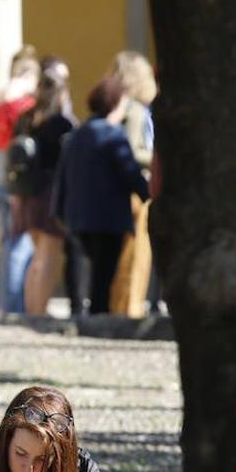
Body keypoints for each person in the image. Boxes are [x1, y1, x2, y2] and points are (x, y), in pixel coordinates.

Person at [53, 78, 150, 317]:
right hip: (108, 218)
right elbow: (130, 173)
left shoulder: (76, 136)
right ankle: (99, 318)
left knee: (91, 271)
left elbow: (62, 178)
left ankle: (88, 314)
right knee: (104, 275)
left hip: (79, 216)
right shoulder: (113, 136)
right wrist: (147, 192)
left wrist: (59, 211)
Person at [8, 58, 76, 316]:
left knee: (36, 257)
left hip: (27, 193)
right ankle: (39, 312)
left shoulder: (26, 118)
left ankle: (31, 308)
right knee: (49, 256)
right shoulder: (61, 123)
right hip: (51, 194)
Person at [0, 46, 41, 314]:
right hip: (16, 176)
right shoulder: (23, 104)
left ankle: (8, 303)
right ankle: (15, 306)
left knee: (8, 240)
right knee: (20, 241)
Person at [107, 50, 160, 317]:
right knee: (135, 256)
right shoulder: (136, 111)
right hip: (135, 191)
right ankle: (129, 309)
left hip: (123, 191)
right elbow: (130, 150)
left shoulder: (123, 109)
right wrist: (157, 158)